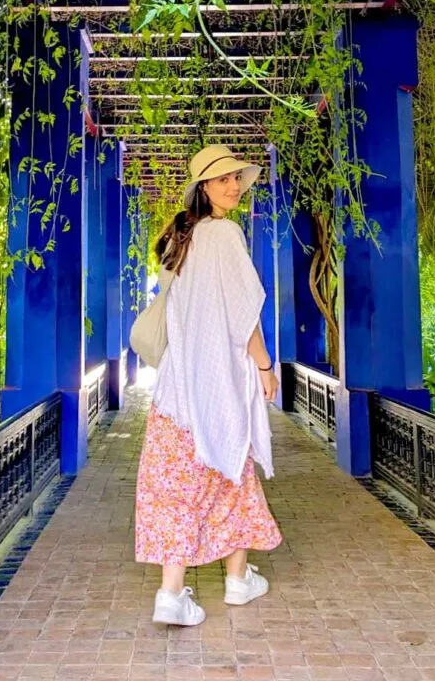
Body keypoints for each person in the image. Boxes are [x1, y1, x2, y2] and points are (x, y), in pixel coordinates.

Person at [135, 144, 283, 626]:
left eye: (236, 177)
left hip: (179, 391)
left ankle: (171, 594)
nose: (234, 186)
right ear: (203, 188)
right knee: (231, 480)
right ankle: (237, 582)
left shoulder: (183, 237)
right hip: (219, 385)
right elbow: (246, 317)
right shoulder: (224, 234)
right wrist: (265, 367)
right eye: (222, 180)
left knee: (175, 490)